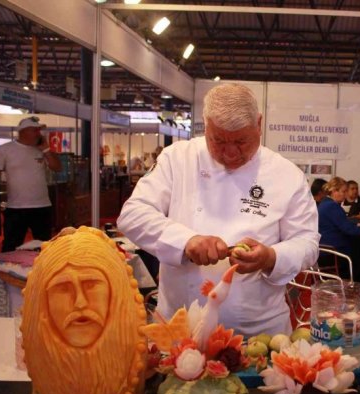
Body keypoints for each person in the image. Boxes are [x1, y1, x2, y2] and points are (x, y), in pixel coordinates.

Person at [117, 83, 320, 336]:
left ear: (259, 124)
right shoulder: (177, 159)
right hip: (180, 330)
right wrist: (185, 241)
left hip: (259, 333)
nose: (231, 153)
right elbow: (132, 215)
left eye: (241, 141)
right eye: (219, 141)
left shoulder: (286, 174)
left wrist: (271, 257)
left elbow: (307, 242)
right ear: (205, 126)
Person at [0, 116, 61, 252]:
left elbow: (57, 167)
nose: (38, 133)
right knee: (11, 247)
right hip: (16, 207)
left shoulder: (41, 149)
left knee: (44, 247)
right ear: (23, 131)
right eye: (35, 130)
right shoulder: (5, 149)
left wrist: (46, 150)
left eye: (39, 130)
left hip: (42, 206)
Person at [318, 177, 360, 282]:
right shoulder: (332, 206)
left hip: (328, 249)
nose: (345, 194)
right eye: (343, 191)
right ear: (334, 191)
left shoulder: (326, 203)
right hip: (334, 253)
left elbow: (346, 224)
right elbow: (351, 230)